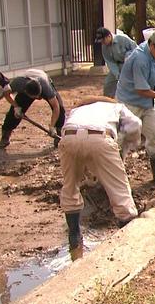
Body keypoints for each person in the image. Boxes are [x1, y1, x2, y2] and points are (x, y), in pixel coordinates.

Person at [59, 96, 142, 250]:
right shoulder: (116, 107)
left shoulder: (78, 109)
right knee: (119, 189)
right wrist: (130, 142)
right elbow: (136, 124)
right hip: (100, 137)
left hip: (68, 138)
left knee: (70, 186)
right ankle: (129, 239)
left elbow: (76, 136)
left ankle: (74, 235)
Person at [115, 28, 155, 186]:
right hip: (129, 103)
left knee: (154, 135)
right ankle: (115, 175)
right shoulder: (140, 59)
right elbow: (141, 89)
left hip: (148, 102)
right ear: (152, 46)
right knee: (122, 139)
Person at [0, 69, 65, 149]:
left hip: (42, 79)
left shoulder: (46, 88)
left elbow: (55, 107)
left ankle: (58, 134)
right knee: (13, 114)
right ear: (25, 92)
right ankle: (5, 138)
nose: (38, 99)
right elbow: (6, 93)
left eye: (38, 97)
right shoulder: (18, 84)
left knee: (60, 109)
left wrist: (52, 126)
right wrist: (16, 107)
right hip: (27, 83)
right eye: (35, 98)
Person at [95, 27, 137, 98]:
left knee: (130, 84)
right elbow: (110, 62)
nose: (102, 43)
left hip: (130, 64)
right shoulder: (104, 47)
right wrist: (117, 74)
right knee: (108, 83)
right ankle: (109, 100)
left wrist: (128, 57)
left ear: (109, 36)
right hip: (117, 65)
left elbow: (135, 49)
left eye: (103, 41)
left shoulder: (122, 39)